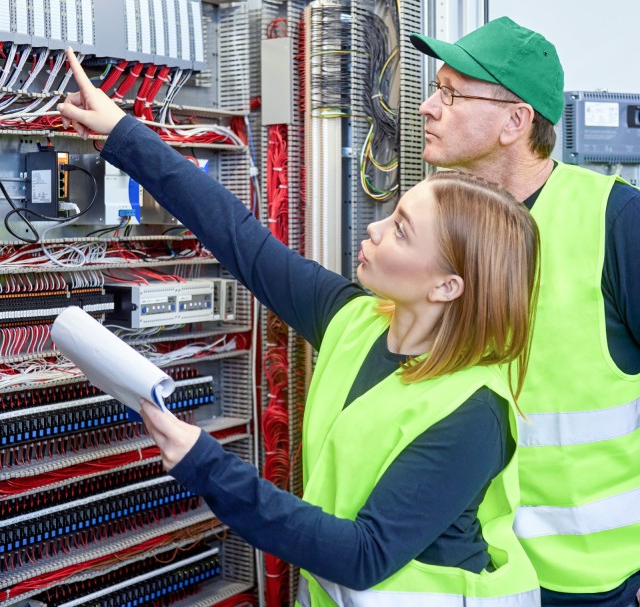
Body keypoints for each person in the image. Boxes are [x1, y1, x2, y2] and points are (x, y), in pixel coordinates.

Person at [57, 47, 542, 606]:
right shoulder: (355, 319)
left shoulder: (473, 413)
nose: (378, 229)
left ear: (446, 287)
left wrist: (207, 464)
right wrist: (122, 132)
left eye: (403, 231)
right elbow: (241, 240)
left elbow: (362, 554)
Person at [410, 16, 640, 607]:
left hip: (585, 583)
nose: (428, 108)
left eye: (451, 93)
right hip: (471, 569)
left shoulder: (616, 221)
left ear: (516, 121)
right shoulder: (439, 223)